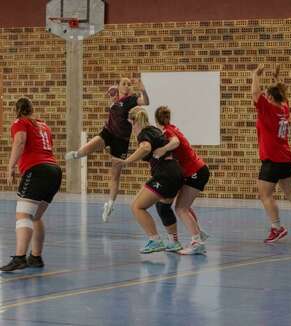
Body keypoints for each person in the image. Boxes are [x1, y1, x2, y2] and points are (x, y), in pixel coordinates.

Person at [65, 78, 149, 222]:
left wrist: (142, 89)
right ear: (119, 86)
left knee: (115, 175)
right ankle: (77, 154)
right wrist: (112, 94)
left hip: (121, 140)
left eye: (129, 84)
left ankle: (110, 204)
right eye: (124, 84)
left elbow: (146, 102)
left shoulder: (132, 100)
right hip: (108, 132)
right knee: (88, 148)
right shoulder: (115, 98)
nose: (127, 86)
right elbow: (113, 101)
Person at [251, 64, 291, 243]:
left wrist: (256, 75)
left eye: (267, 96)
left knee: (265, 195)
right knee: (290, 190)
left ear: (269, 97)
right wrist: (276, 79)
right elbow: (282, 95)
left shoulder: (268, 109)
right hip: (285, 158)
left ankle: (277, 228)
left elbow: (255, 94)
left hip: (271, 160)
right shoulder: (284, 109)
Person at [0, 97, 62, 272]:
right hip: (54, 171)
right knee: (35, 217)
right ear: (32, 109)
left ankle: (20, 258)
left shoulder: (20, 123)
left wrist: (10, 166)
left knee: (23, 216)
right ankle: (35, 257)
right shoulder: (43, 125)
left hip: (37, 171)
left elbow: (20, 141)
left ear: (17, 110)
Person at [116, 107, 187, 254]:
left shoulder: (144, 133)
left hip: (165, 174)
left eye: (131, 124)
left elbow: (146, 148)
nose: (132, 128)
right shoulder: (155, 130)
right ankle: (174, 242)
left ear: (135, 122)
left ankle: (155, 240)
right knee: (163, 207)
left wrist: (126, 161)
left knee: (137, 206)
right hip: (176, 172)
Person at [153, 106, 210, 254]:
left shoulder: (167, 131)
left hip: (196, 171)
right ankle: (199, 234)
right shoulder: (172, 127)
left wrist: (163, 150)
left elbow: (176, 142)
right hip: (198, 170)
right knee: (184, 205)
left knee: (180, 208)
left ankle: (197, 241)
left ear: (155, 120)